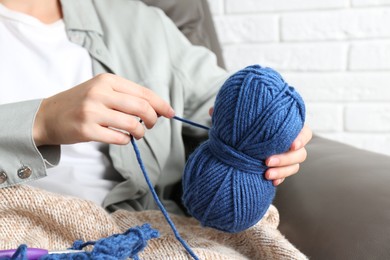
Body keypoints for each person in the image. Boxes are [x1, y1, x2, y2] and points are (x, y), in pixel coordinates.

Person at [0, 0, 312, 215]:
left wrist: (278, 126)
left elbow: (219, 95)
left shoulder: (143, 24)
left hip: (142, 230)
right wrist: (40, 122)